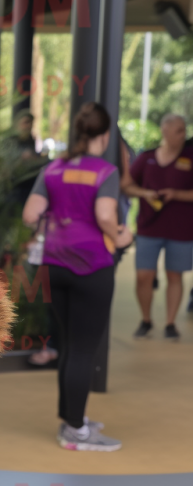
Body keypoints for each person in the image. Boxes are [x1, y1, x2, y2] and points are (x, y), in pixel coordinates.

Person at [23, 102, 132, 452]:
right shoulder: (105, 172)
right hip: (92, 267)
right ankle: (75, 431)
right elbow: (105, 215)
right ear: (105, 135)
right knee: (83, 350)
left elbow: (31, 214)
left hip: (54, 266)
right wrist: (121, 237)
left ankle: (72, 417)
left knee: (70, 344)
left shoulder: (53, 169)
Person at [124, 114, 193, 340]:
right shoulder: (147, 158)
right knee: (144, 276)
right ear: (165, 132)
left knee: (175, 275)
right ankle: (146, 320)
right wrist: (145, 193)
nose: (183, 134)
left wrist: (176, 194)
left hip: (181, 230)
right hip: (149, 227)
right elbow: (127, 185)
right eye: (179, 130)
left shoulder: (190, 157)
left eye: (184, 129)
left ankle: (170, 323)